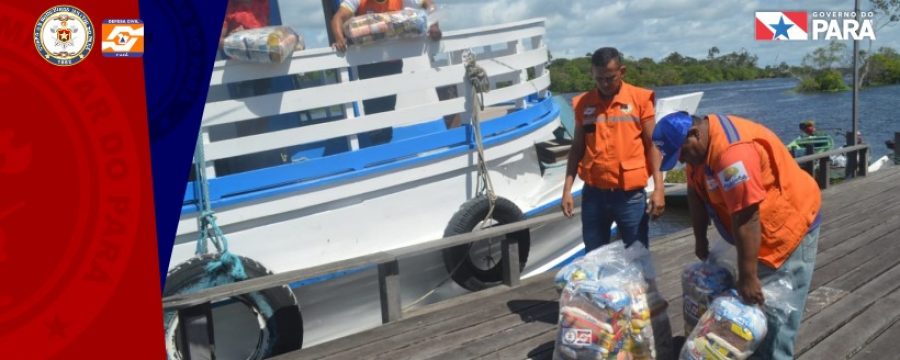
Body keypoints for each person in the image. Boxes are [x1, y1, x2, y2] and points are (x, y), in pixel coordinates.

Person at [652, 111, 822, 359]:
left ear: (694, 134)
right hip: (751, 230)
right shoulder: (697, 152)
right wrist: (701, 239)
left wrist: (748, 276)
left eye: (684, 154)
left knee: (776, 325)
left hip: (787, 229)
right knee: (748, 319)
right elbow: (695, 193)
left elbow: (747, 216)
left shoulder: (733, 154)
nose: (684, 161)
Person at [560, 47, 665, 252]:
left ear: (622, 72)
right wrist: (567, 190)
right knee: (594, 256)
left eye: (610, 78)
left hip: (630, 196)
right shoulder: (583, 103)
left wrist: (659, 189)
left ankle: (641, 285)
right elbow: (577, 148)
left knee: (637, 255)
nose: (605, 84)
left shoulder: (640, 99)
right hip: (593, 194)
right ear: (592, 74)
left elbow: (653, 145)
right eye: (599, 79)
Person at [330, 0, 442, 147]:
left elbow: (427, 3)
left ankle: (385, 143)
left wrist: (434, 25)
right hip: (368, 64)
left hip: (392, 62)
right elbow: (337, 18)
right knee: (372, 108)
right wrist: (339, 39)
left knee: (389, 105)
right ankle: (377, 145)